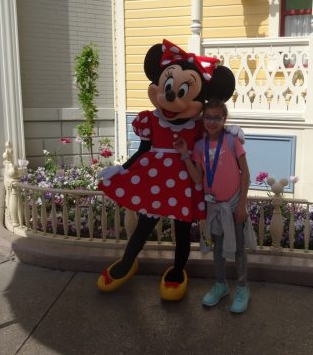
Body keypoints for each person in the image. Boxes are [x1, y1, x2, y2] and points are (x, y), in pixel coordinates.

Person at [97, 40, 237, 301]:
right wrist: (121, 168)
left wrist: (230, 132)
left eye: (183, 91)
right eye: (169, 87)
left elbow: (214, 138)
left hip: (185, 182)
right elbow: (143, 150)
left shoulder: (198, 125)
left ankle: (177, 270)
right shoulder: (150, 120)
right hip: (155, 181)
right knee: (143, 226)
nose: (172, 97)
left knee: (182, 231)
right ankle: (127, 263)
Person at [174, 98, 254, 313]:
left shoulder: (232, 141)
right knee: (217, 248)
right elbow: (197, 178)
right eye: (208, 117)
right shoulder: (199, 146)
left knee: (238, 249)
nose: (212, 122)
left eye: (217, 118)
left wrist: (242, 205)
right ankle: (221, 285)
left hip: (234, 204)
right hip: (214, 207)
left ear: (224, 119)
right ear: (202, 119)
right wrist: (185, 155)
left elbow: (246, 175)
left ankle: (243, 288)